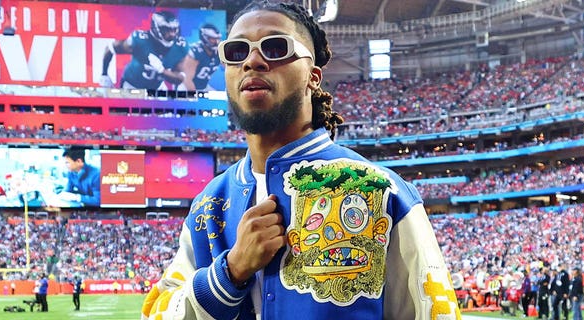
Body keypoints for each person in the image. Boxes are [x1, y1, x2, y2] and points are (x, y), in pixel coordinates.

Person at [141, 1, 460, 319]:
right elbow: (155, 313)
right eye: (237, 51)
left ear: (313, 76)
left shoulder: (382, 192)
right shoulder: (207, 206)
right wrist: (231, 271)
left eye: (275, 47)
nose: (253, 61)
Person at [99, 11, 188, 90]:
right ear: (156, 28)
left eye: (174, 29)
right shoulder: (140, 41)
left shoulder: (180, 46)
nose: (172, 34)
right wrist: (104, 74)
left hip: (157, 88)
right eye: (167, 30)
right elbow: (110, 47)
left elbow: (179, 78)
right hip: (132, 86)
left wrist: (162, 70)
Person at [177, 23, 223, 92]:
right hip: (186, 88)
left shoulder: (219, 50)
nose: (217, 42)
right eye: (213, 39)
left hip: (203, 87)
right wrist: (196, 99)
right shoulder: (196, 52)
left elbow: (229, 67)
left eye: (218, 39)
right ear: (204, 38)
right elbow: (187, 80)